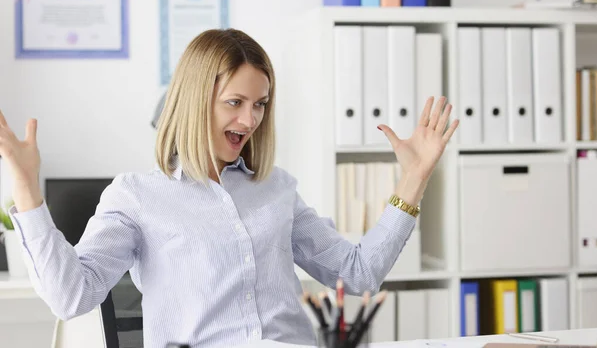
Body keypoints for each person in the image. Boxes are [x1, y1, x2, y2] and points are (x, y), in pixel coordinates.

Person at [0, 28, 459, 348]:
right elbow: (71, 295)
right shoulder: (137, 197)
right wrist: (26, 190)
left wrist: (413, 176)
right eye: (234, 103)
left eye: (259, 104)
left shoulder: (276, 188)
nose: (250, 120)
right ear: (196, 101)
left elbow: (358, 274)